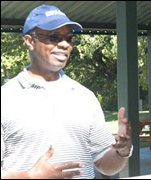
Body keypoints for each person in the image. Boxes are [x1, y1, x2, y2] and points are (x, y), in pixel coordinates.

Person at [1, 4, 133, 179]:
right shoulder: (6, 98)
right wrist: (29, 176)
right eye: (54, 37)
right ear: (29, 41)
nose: (64, 44)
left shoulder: (85, 97)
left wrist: (122, 151)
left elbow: (105, 166)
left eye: (69, 38)